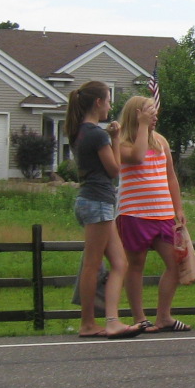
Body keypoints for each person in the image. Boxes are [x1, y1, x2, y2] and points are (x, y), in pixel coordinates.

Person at [67, 81, 142, 338]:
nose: (110, 105)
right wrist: (116, 138)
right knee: (92, 264)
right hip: (98, 201)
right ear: (98, 102)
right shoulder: (97, 134)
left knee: (120, 263)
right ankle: (87, 323)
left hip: (93, 201)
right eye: (108, 100)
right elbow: (114, 170)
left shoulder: (79, 131)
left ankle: (111, 320)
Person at [115, 95, 189, 331]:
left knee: (175, 264)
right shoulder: (122, 142)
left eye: (155, 113)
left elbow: (170, 176)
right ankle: (139, 318)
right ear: (136, 114)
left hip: (163, 213)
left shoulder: (160, 142)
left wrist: (178, 207)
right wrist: (143, 127)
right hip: (135, 213)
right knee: (136, 264)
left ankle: (164, 316)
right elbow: (136, 156)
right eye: (149, 113)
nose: (154, 116)